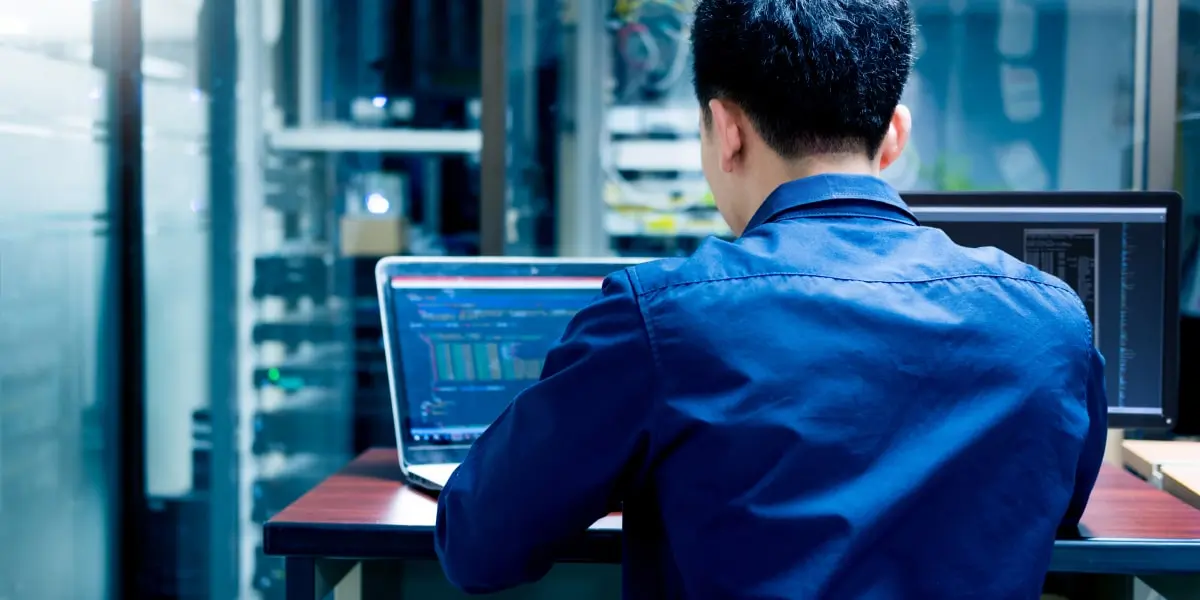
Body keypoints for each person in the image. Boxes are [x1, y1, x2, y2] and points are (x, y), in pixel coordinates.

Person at [435, 0, 1108, 597]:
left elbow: (480, 546)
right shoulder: (1051, 322)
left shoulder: (665, 318)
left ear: (726, 130)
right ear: (894, 135)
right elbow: (1054, 509)